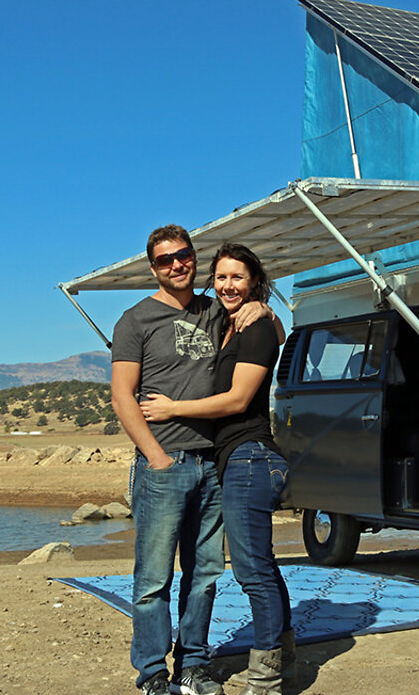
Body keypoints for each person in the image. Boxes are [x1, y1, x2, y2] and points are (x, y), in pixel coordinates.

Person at [111, 225, 273, 695]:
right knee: (153, 577)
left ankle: (194, 664)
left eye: (183, 256)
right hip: (164, 463)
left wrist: (263, 306)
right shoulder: (135, 321)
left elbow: (268, 332)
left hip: (213, 464)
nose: (177, 265)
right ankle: (152, 673)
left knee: (204, 574)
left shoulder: (217, 310)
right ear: (153, 267)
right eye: (165, 260)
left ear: (193, 258)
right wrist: (156, 456)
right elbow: (123, 396)